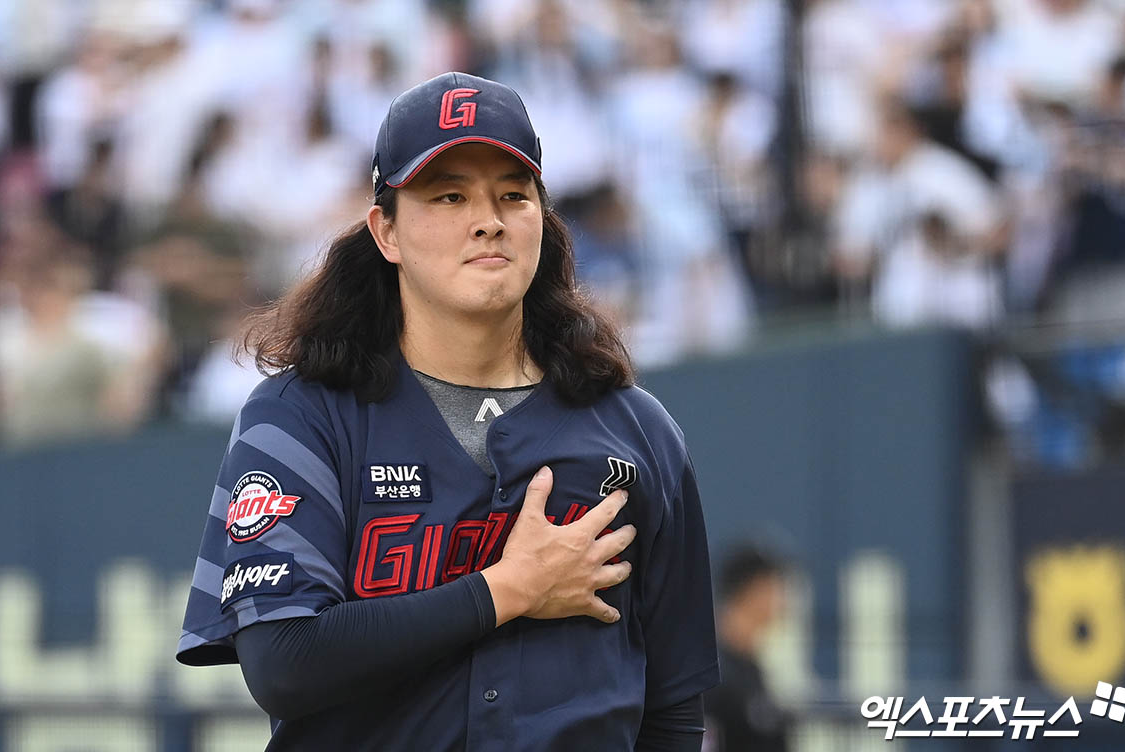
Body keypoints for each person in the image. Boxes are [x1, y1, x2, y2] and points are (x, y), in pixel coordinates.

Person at [176, 71, 719, 751]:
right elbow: (284, 661)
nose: (488, 219)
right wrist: (504, 590)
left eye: (513, 196)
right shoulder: (300, 416)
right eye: (449, 195)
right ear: (387, 231)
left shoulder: (639, 432)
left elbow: (672, 710)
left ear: (542, 227)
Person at [702, 547, 790, 752]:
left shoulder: (750, 667)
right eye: (773, 586)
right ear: (753, 590)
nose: (781, 599)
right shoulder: (713, 671)